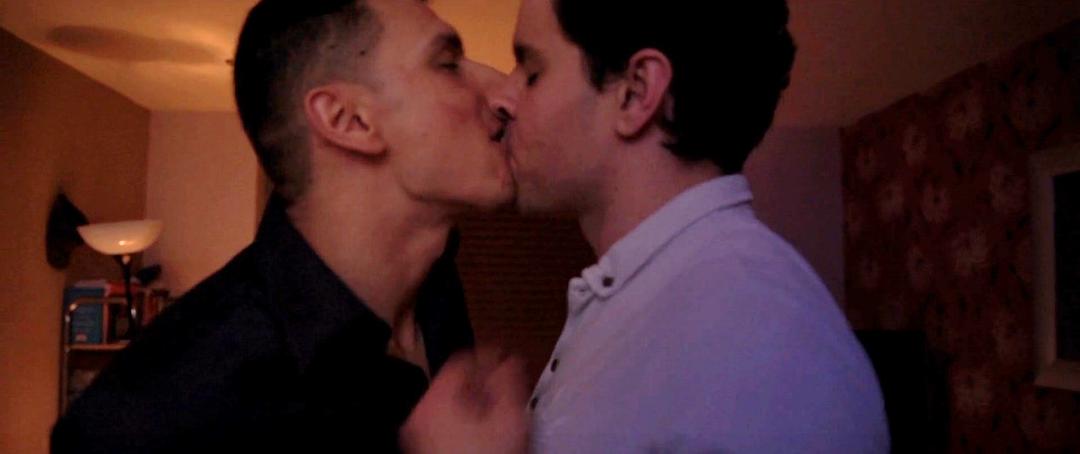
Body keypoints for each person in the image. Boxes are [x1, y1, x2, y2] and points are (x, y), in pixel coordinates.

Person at [406, 0, 891, 452]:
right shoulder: (661, 297)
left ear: (636, 93)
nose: (502, 99)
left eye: (532, 71)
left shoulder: (755, 343)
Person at [51, 0, 520, 452]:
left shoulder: (435, 292)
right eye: (447, 64)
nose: (505, 93)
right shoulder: (150, 418)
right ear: (348, 120)